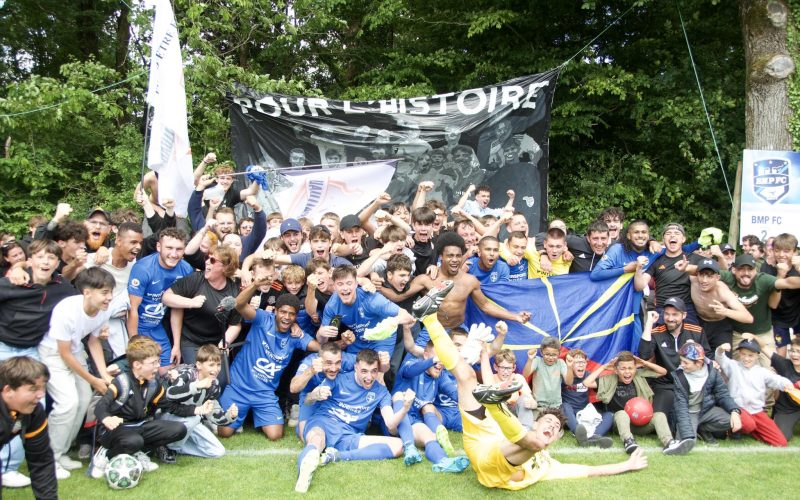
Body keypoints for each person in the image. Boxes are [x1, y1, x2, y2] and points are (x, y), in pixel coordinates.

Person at [409, 284, 648, 491]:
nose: (553, 426)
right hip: (482, 435)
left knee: (534, 444)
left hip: (492, 465)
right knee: (466, 375)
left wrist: (627, 465)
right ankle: (429, 317)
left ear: (557, 439)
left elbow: (587, 470)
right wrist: (484, 357)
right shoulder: (532, 436)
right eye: (549, 423)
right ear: (536, 423)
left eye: (555, 428)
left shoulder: (549, 464)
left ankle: (495, 406)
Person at [0, 239, 77, 486]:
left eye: (51, 258)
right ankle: (6, 466)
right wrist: (17, 267)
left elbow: (80, 306)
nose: (45, 261)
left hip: (31, 351)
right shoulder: (12, 282)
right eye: (40, 257)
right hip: (3, 347)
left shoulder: (61, 286)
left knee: (33, 405)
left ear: (57, 263)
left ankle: (13, 466)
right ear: (30, 260)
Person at [295, 349, 415, 493]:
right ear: (355, 368)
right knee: (316, 441)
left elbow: (390, 424)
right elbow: (308, 400)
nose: (369, 377)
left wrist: (404, 409)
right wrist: (315, 394)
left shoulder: (381, 392)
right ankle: (305, 472)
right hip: (325, 422)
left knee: (398, 446)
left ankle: (336, 456)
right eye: (364, 371)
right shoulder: (338, 379)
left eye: (374, 371)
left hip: (349, 435)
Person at [38, 267, 115, 477]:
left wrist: (103, 374)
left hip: (76, 351)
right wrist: (93, 379)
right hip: (53, 354)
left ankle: (61, 453)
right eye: (104, 293)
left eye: (111, 292)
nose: (109, 298)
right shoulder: (66, 310)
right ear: (87, 292)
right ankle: (48, 460)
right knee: (67, 403)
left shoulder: (105, 309)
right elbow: (64, 353)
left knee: (83, 401)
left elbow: (94, 341)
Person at [218, 288, 320, 441]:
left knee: (275, 435)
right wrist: (256, 283)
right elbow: (239, 304)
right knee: (224, 433)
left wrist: (342, 344)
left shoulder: (296, 334)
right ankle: (232, 417)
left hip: (264, 394)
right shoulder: (262, 318)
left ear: (296, 317)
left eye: (292, 314)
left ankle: (245, 418)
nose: (287, 317)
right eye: (283, 312)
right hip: (238, 387)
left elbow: (319, 347)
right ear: (275, 311)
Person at [90, 336, 187, 478]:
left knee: (179, 429)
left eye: (158, 361)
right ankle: (105, 455)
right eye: (153, 363)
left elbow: (170, 406)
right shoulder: (121, 382)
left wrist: (198, 410)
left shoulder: (154, 385)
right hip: (115, 431)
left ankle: (138, 452)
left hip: (140, 427)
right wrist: (107, 419)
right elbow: (100, 406)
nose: (157, 367)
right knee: (134, 441)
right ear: (137, 365)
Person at [582, 351, 682, 455]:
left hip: (641, 423)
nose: (627, 372)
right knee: (621, 413)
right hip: (621, 424)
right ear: (616, 370)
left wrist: (644, 363)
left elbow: (663, 372)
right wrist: (604, 367)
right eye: (623, 368)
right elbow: (586, 383)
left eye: (630, 368)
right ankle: (628, 441)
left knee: (659, 415)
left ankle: (669, 442)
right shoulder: (609, 379)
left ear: (635, 368)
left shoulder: (639, 376)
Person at [161, 245, 242, 368]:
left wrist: (225, 342)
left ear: (225, 267)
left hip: (215, 345)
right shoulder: (196, 280)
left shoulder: (234, 292)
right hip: (190, 340)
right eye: (207, 258)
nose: (207, 262)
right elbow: (166, 298)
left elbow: (235, 324)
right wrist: (191, 302)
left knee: (220, 380)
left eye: (213, 260)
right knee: (198, 374)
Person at [127, 228, 194, 369]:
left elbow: (177, 307)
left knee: (168, 368)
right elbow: (132, 309)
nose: (174, 254)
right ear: (159, 247)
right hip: (139, 326)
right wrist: (134, 344)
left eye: (179, 249)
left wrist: (176, 345)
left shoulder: (186, 269)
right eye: (169, 248)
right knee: (144, 368)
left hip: (157, 326)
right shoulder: (143, 268)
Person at [160, 344, 239, 458]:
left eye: (218, 365)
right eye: (211, 365)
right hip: (168, 417)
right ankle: (170, 447)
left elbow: (212, 413)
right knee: (196, 417)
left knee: (217, 451)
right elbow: (171, 393)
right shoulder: (187, 374)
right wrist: (197, 386)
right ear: (199, 365)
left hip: (191, 420)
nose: (216, 369)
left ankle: (175, 447)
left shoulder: (214, 384)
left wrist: (229, 416)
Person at [715, 337, 796, 447]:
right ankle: (733, 430)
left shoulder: (762, 372)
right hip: (738, 409)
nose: (746, 358)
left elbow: (776, 380)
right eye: (743, 354)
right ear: (739, 353)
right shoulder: (733, 366)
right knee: (749, 425)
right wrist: (721, 349)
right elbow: (720, 358)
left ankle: (754, 431)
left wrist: (786, 383)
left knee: (781, 442)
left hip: (757, 411)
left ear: (757, 356)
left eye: (750, 355)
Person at [637, 301, 710, 420]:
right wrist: (649, 323)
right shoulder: (657, 332)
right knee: (657, 418)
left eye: (675, 314)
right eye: (667, 314)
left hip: (691, 383)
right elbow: (643, 355)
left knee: (695, 418)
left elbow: (707, 356)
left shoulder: (696, 331)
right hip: (666, 385)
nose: (670, 318)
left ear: (684, 315)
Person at [319, 265, 415, 355]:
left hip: (382, 338)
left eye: (349, 283)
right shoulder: (332, 306)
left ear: (356, 284)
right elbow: (321, 340)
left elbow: (406, 315)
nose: (345, 288)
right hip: (359, 338)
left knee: (379, 366)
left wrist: (390, 323)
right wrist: (322, 333)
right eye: (340, 284)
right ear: (334, 286)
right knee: (351, 367)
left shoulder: (371, 300)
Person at [0, 357, 57, 498]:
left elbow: (41, 461)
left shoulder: (34, 412)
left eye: (43, 387)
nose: (41, 394)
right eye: (33, 389)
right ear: (8, 390)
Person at [669, 341, 741, 452]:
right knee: (689, 443)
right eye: (681, 361)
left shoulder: (712, 371)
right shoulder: (679, 376)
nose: (681, 365)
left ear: (698, 363)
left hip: (706, 411)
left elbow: (722, 393)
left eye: (685, 362)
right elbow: (681, 408)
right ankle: (694, 431)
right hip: (688, 413)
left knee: (731, 420)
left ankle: (701, 429)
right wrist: (688, 436)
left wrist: (734, 411)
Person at [683, 257, 752, 352]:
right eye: (702, 275)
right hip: (698, 323)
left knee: (724, 359)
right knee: (692, 355)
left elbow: (748, 318)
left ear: (717, 278)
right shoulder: (694, 280)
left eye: (709, 276)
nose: (704, 280)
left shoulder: (722, 291)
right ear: (696, 274)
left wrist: (725, 311)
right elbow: (684, 267)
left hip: (720, 327)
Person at [560, 348, 613, 448]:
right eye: (577, 362)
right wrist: (569, 368)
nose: (581, 365)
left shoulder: (588, 375)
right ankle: (578, 433)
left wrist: (605, 368)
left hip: (584, 413)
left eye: (583, 362)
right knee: (564, 406)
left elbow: (601, 384)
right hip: (569, 415)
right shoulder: (565, 375)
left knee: (609, 415)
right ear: (571, 363)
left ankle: (595, 437)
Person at [480, 345, 537, 431]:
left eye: (509, 368)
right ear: (495, 367)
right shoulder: (491, 378)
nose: (506, 372)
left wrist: (532, 403)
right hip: (498, 412)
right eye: (503, 368)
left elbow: (531, 399)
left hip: (514, 411)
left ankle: (526, 430)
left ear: (514, 368)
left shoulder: (517, 377)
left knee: (524, 398)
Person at [522, 337, 567, 416]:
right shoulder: (537, 361)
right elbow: (525, 374)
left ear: (559, 353)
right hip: (538, 406)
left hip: (556, 406)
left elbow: (568, 381)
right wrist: (530, 359)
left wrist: (569, 367)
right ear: (542, 352)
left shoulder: (560, 363)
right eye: (547, 354)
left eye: (554, 355)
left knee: (553, 426)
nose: (550, 358)